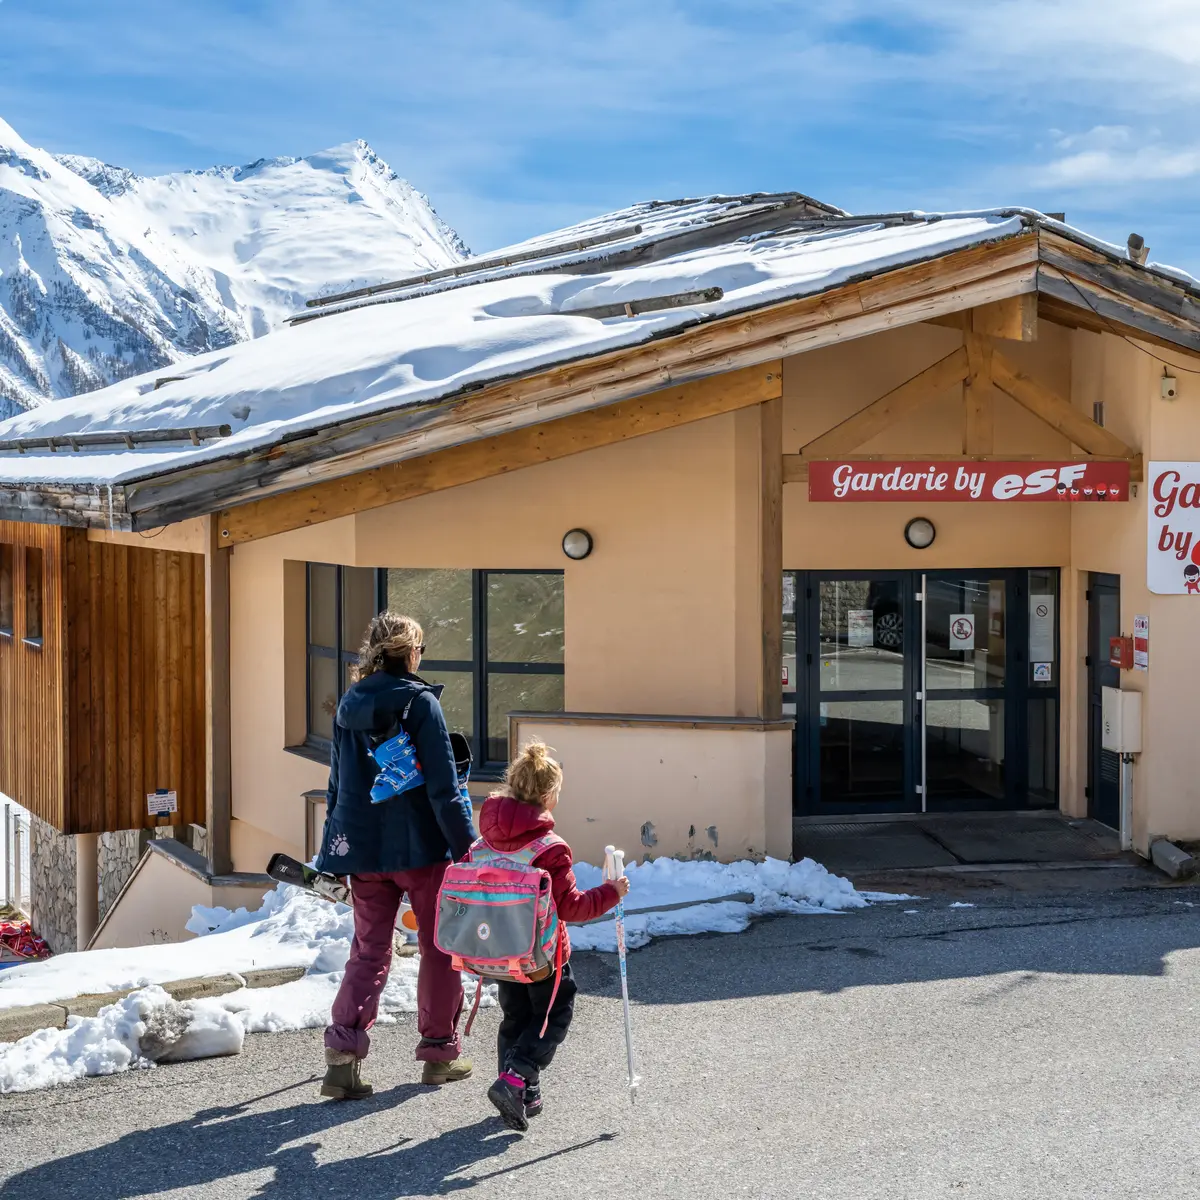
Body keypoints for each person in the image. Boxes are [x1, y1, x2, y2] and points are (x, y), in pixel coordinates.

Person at [317, 612, 478, 1099]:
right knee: (438, 947)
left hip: (363, 850)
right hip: (422, 849)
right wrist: (467, 851)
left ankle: (342, 1061)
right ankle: (438, 1053)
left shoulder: (349, 704)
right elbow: (445, 789)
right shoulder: (421, 702)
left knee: (368, 950)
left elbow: (337, 784)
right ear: (412, 653)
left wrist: (333, 852)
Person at [476, 740, 629, 1131]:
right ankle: (515, 1078)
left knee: (516, 1015)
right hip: (543, 954)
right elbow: (573, 907)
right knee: (553, 1014)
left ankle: (520, 1089)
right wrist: (611, 893)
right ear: (547, 796)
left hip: (498, 949)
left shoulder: (484, 840)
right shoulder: (550, 849)